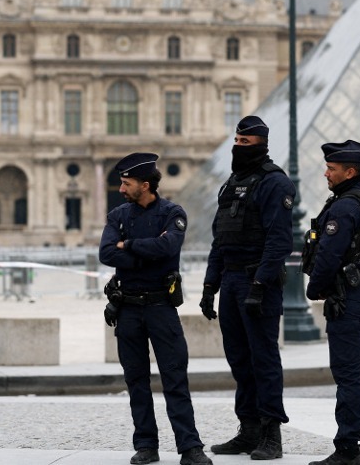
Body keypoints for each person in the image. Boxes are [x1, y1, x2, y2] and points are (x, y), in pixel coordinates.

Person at [99, 152, 212, 465]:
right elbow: (106, 253)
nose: (121, 189)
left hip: (161, 306)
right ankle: (146, 445)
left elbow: (169, 247)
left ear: (145, 184)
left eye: (127, 183)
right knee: (136, 382)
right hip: (127, 308)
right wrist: (147, 254)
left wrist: (129, 245)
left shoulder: (172, 212)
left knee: (175, 379)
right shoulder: (118, 215)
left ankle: (190, 447)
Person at [200, 116, 294, 460]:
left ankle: (271, 434)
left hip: (258, 282)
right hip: (230, 280)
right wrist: (210, 285)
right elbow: (220, 239)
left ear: (261, 145)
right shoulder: (231, 184)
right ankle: (249, 428)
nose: (238, 147)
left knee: (263, 359)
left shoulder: (275, 182)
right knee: (239, 360)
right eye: (236, 141)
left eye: (245, 143)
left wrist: (259, 284)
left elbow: (279, 241)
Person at [302, 140, 360, 465]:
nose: (326, 173)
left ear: (349, 172)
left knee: (349, 374)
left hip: (347, 295)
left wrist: (316, 289)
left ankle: (347, 449)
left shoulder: (343, 208)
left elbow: (328, 256)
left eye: (332, 169)